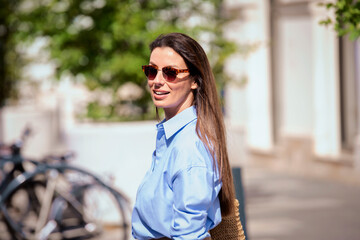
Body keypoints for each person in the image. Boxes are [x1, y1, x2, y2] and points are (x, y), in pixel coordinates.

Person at [131, 32, 235, 240]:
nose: (157, 81)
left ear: (195, 80)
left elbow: (188, 235)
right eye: (151, 71)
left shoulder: (189, 147)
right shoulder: (173, 137)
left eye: (170, 72)